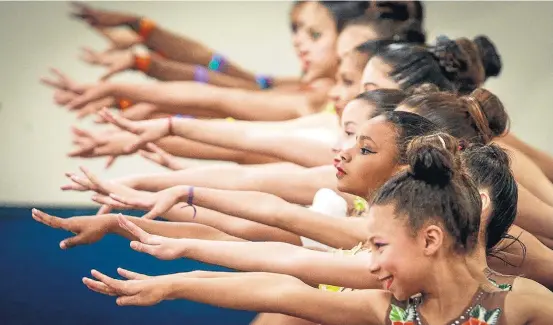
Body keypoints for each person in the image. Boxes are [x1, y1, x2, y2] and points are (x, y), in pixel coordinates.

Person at [81, 133, 553, 324]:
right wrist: (175, 281)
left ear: (430, 239)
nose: (369, 262)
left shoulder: (523, 304)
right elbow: (280, 287)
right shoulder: (389, 308)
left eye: (378, 246)